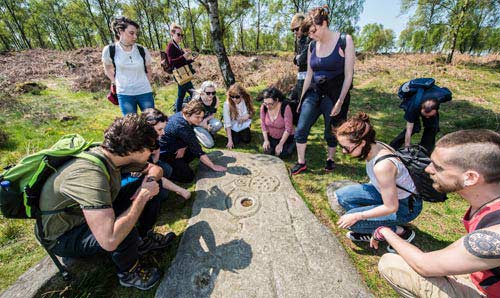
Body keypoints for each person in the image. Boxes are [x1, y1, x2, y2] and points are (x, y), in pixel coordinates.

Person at [38, 114, 173, 290]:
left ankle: (143, 241)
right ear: (136, 149)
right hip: (64, 234)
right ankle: (129, 272)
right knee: (124, 228)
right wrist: (142, 197)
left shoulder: (114, 155)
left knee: (155, 186)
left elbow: (156, 169)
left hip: (87, 214)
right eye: (153, 146)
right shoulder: (91, 174)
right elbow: (109, 239)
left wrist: (148, 183)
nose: (155, 151)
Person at [374, 129, 500, 298]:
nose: (428, 169)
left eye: (438, 167)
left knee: (391, 264)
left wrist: (385, 231)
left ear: (470, 177)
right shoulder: (487, 202)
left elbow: (424, 265)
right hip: (483, 276)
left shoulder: (494, 235)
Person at [333, 112, 422, 246]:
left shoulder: (382, 166)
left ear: (362, 143)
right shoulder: (375, 145)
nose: (344, 152)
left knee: (354, 222)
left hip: (405, 207)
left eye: (346, 148)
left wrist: (358, 215)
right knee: (343, 196)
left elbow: (391, 207)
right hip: (389, 195)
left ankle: (401, 232)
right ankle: (375, 225)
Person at [291, 6, 355, 175]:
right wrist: (302, 98)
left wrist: (340, 102)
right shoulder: (312, 46)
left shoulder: (344, 40)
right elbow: (309, 76)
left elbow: (349, 76)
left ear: (324, 24)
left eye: (313, 31)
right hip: (314, 92)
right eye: (309, 33)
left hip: (335, 95)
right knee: (301, 128)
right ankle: (301, 162)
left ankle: (330, 159)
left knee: (330, 132)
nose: (311, 35)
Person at [159, 100, 227, 183]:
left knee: (192, 153)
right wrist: (213, 166)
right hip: (166, 154)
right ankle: (166, 171)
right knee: (188, 177)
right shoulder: (181, 126)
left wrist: (183, 146)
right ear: (188, 114)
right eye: (197, 117)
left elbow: (187, 140)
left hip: (175, 145)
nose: (200, 120)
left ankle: (180, 165)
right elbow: (198, 150)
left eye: (202, 117)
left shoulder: (183, 115)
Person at [102, 17, 154, 116]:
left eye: (136, 34)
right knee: (131, 125)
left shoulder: (142, 50)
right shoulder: (110, 50)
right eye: (131, 33)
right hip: (125, 94)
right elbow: (108, 69)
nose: (135, 37)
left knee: (151, 121)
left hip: (144, 92)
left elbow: (149, 69)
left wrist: (145, 83)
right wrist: (116, 82)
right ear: (120, 31)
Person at [166, 23, 197, 112]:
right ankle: (194, 113)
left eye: (181, 35)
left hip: (183, 74)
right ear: (172, 33)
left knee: (181, 96)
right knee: (194, 94)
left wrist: (191, 59)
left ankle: (178, 113)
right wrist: (183, 56)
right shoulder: (171, 46)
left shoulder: (177, 46)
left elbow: (182, 62)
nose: (180, 37)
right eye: (178, 34)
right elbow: (171, 62)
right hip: (180, 74)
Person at [260, 87, 295, 158]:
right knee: (268, 152)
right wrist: (266, 140)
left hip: (285, 137)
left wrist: (281, 144)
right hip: (271, 136)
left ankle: (294, 143)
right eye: (265, 103)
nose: (268, 106)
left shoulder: (285, 107)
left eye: (270, 104)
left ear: (277, 100)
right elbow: (263, 124)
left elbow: (288, 129)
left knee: (282, 154)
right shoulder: (264, 107)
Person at [223, 83, 254, 149]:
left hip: (244, 124)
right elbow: (227, 122)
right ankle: (234, 134)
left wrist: (247, 116)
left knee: (246, 140)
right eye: (232, 96)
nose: (234, 99)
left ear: (242, 95)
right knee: (235, 141)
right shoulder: (227, 104)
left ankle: (244, 131)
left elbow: (252, 112)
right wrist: (230, 140)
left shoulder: (246, 100)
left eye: (237, 97)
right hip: (232, 126)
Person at [192, 81, 223, 148]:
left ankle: (208, 133)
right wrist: (203, 124)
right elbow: (192, 119)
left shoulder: (215, 99)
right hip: (196, 124)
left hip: (206, 120)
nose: (211, 95)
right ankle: (196, 134)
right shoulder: (197, 100)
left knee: (219, 124)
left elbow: (213, 114)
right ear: (203, 92)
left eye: (213, 93)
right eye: (208, 93)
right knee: (210, 145)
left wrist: (205, 120)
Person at [290, 13, 311, 106]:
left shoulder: (309, 40)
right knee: (291, 101)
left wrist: (298, 59)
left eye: (296, 29)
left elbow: (300, 60)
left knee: (302, 106)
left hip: (309, 81)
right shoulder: (300, 41)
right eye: (293, 30)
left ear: (303, 26)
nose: (295, 32)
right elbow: (296, 60)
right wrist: (297, 58)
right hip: (300, 78)